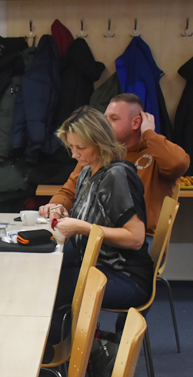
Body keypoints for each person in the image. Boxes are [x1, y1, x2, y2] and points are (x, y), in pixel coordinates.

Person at [51, 106, 154, 326]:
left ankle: (77, 344)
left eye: (81, 147)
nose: (74, 154)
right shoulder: (87, 172)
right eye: (71, 147)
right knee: (46, 276)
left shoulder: (117, 176)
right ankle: (76, 342)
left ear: (101, 143)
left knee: (50, 291)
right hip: (99, 266)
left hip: (126, 277)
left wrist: (82, 227)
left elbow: (136, 238)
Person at [40, 93, 190, 236]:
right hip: (96, 232)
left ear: (136, 122)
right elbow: (69, 191)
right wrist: (56, 206)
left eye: (114, 118)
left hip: (140, 238)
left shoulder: (155, 151)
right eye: (105, 118)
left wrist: (149, 134)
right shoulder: (98, 152)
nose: (106, 124)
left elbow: (179, 164)